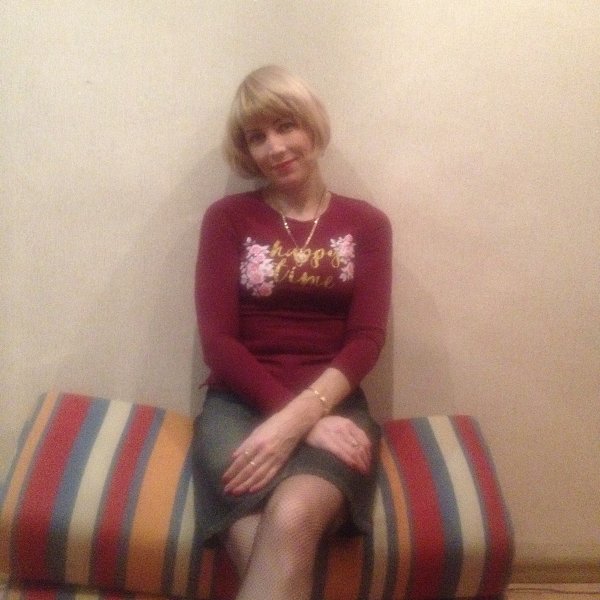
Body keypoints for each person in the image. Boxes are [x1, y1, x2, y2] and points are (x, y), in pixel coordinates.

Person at [192, 65, 392, 600]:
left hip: (335, 406)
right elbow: (218, 343)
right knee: (257, 534)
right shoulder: (227, 218)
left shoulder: (368, 224)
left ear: (311, 126)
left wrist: (302, 417)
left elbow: (367, 338)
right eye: (257, 137)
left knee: (293, 515)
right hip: (236, 407)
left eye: (286, 126)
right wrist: (294, 419)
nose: (275, 147)